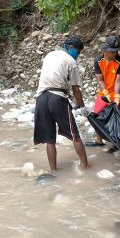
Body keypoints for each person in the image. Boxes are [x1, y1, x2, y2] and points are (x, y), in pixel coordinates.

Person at [34, 35, 90, 171]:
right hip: (57, 99)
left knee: (50, 140)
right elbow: (76, 89)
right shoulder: (71, 61)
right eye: (78, 52)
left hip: (41, 99)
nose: (78, 56)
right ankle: (86, 167)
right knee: (75, 135)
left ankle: (53, 171)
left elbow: (54, 78)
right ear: (70, 48)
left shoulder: (49, 55)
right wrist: (82, 107)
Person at [85, 35, 120, 151]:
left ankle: (116, 143)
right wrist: (105, 93)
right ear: (105, 51)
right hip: (104, 92)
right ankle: (99, 141)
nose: (115, 54)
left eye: (116, 51)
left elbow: (118, 81)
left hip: (117, 91)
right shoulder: (98, 60)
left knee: (115, 117)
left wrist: (116, 98)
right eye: (112, 52)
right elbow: (100, 79)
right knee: (97, 114)